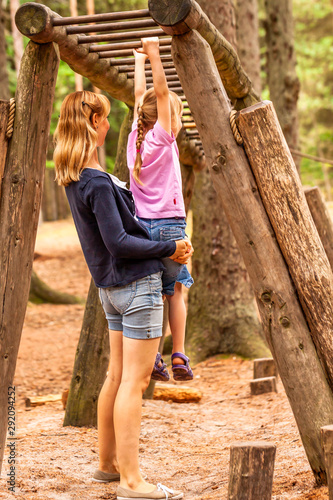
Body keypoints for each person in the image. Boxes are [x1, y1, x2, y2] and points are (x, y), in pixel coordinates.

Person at [53, 90, 192, 500]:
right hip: (135, 286)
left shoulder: (76, 177)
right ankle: (132, 482)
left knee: (116, 377)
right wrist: (168, 247)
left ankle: (107, 465)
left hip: (110, 291)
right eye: (106, 118)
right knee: (135, 380)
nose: (110, 124)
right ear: (93, 122)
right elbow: (118, 241)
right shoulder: (95, 181)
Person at [127, 37, 194, 383]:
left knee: (152, 293)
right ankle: (179, 352)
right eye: (175, 113)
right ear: (166, 117)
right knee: (175, 291)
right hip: (170, 228)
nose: (177, 118)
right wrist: (154, 56)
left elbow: (142, 98)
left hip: (141, 230)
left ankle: (154, 356)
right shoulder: (162, 137)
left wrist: (137, 61)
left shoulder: (135, 139)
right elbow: (159, 93)